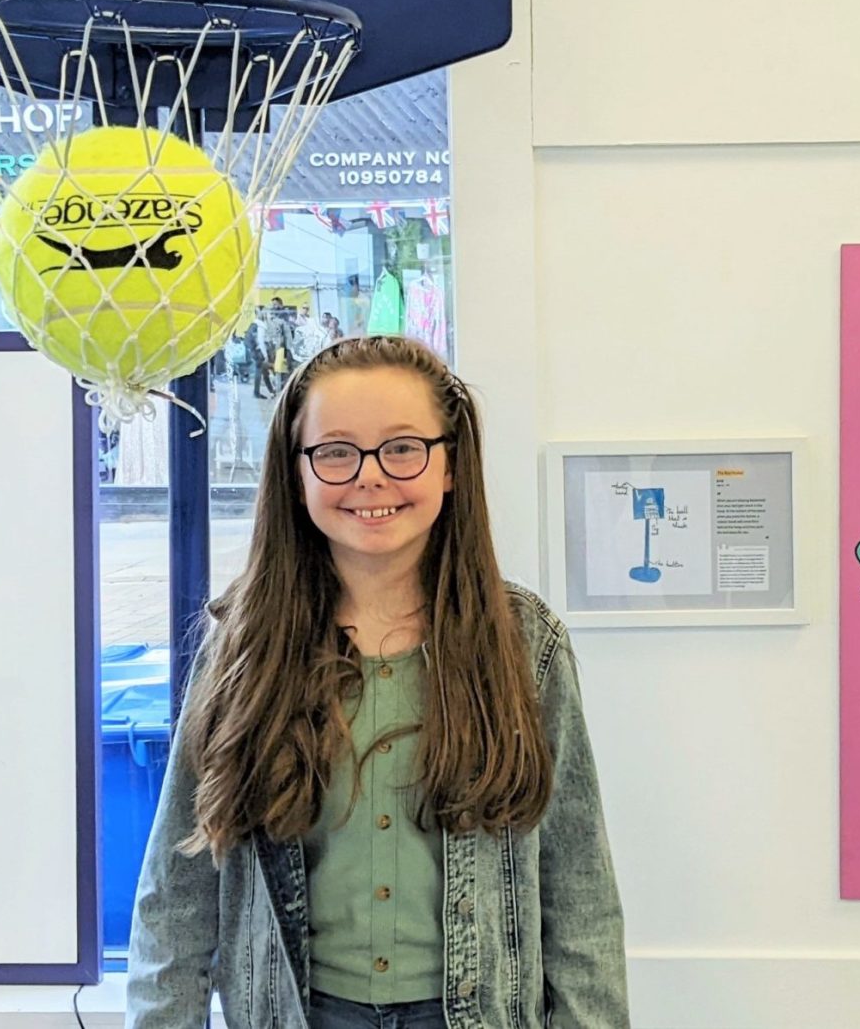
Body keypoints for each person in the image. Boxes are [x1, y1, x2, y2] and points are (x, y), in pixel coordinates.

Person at [126, 336, 629, 1029]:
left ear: (450, 465)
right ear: (296, 472)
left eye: (402, 448)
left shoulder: (524, 642)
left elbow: (579, 892)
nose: (370, 477)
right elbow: (177, 895)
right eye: (335, 451)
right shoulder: (245, 644)